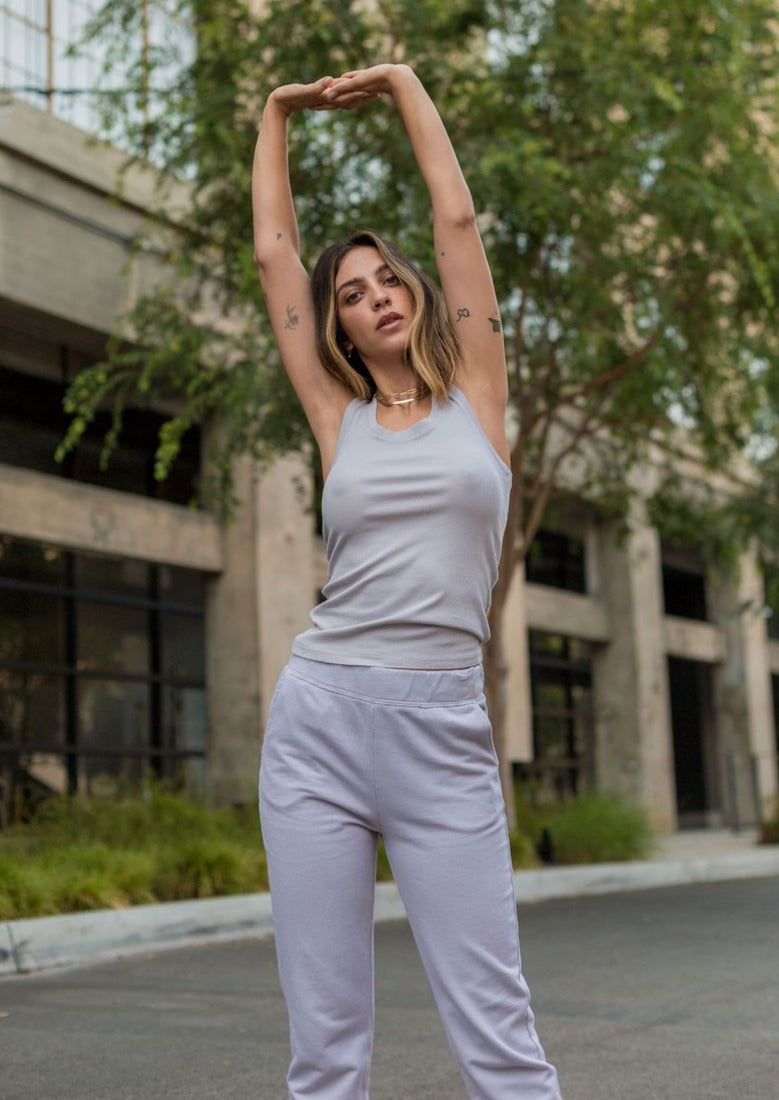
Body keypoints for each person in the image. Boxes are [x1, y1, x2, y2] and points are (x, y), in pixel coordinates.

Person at [252, 63, 563, 1100]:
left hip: (440, 730)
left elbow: (458, 218)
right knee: (326, 1045)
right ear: (333, 325)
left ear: (414, 290)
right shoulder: (334, 419)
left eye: (385, 278)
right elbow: (271, 251)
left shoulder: (477, 394)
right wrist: (275, 114)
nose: (375, 295)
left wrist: (401, 84)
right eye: (349, 293)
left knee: (499, 1039)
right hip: (320, 722)